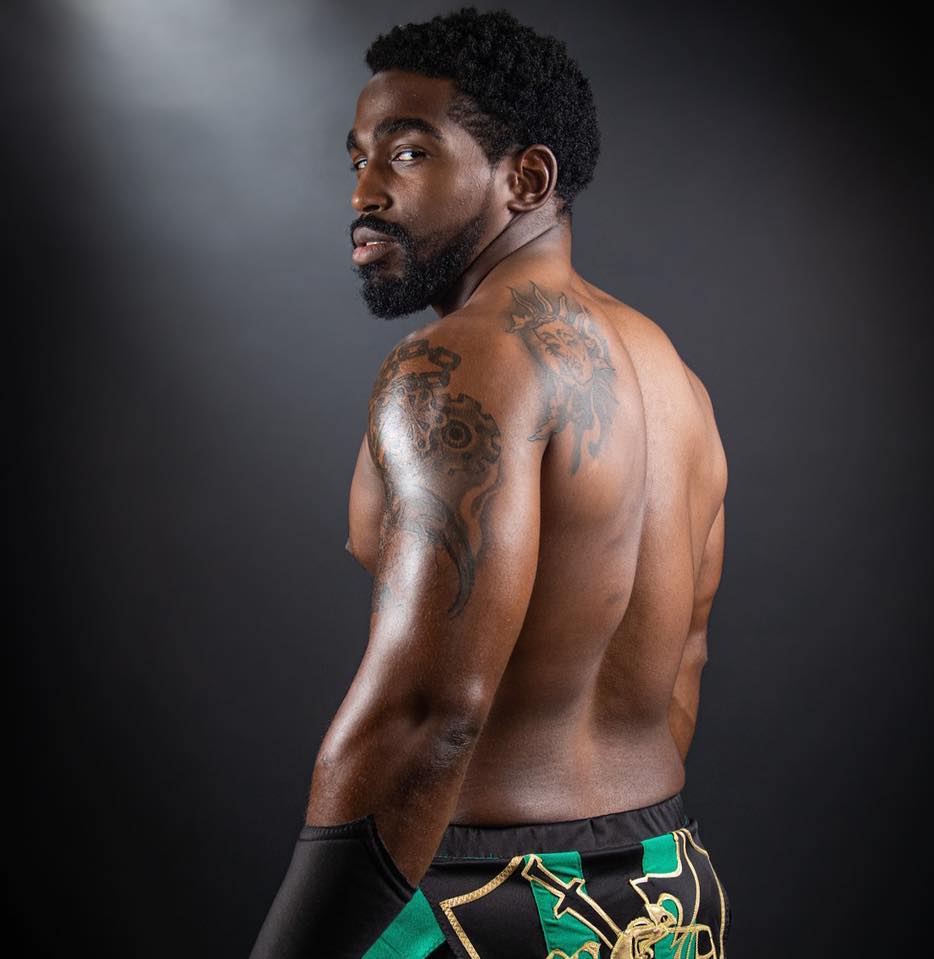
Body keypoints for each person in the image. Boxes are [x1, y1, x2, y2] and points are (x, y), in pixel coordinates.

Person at [250, 7, 729, 958]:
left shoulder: (460, 363)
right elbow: (683, 660)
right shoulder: (674, 377)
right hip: (667, 886)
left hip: (479, 902)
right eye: (358, 158)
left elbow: (426, 712)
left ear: (526, 179)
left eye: (409, 154)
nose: (365, 191)